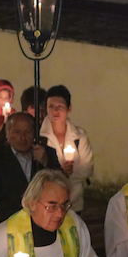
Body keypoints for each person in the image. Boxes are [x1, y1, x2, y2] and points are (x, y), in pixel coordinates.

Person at [0, 112, 52, 222]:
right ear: (7, 133)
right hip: (10, 221)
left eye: (27, 132)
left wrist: (46, 163)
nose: (22, 138)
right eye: (17, 132)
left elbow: (60, 183)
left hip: (44, 220)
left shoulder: (47, 153)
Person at [38, 85, 93, 213]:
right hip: (48, 204)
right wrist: (61, 171)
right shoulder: (40, 137)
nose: (55, 111)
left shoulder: (79, 136)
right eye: (51, 106)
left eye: (60, 107)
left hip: (74, 202)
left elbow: (87, 168)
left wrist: (68, 174)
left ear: (69, 108)